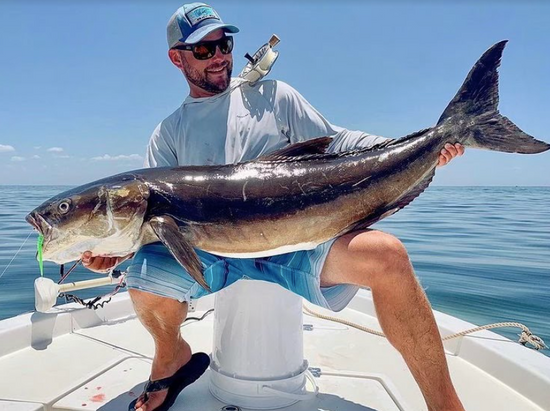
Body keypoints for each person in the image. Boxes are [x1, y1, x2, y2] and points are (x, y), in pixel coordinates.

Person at [83, 3, 466, 411]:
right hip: (210, 254)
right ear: (177, 58)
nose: (219, 57)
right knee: (142, 276)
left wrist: (426, 145)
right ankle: (171, 356)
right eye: (203, 50)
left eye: (223, 44)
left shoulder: (274, 97)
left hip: (297, 241)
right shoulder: (168, 134)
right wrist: (116, 252)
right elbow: (157, 222)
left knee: (388, 256)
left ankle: (445, 405)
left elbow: (338, 143)